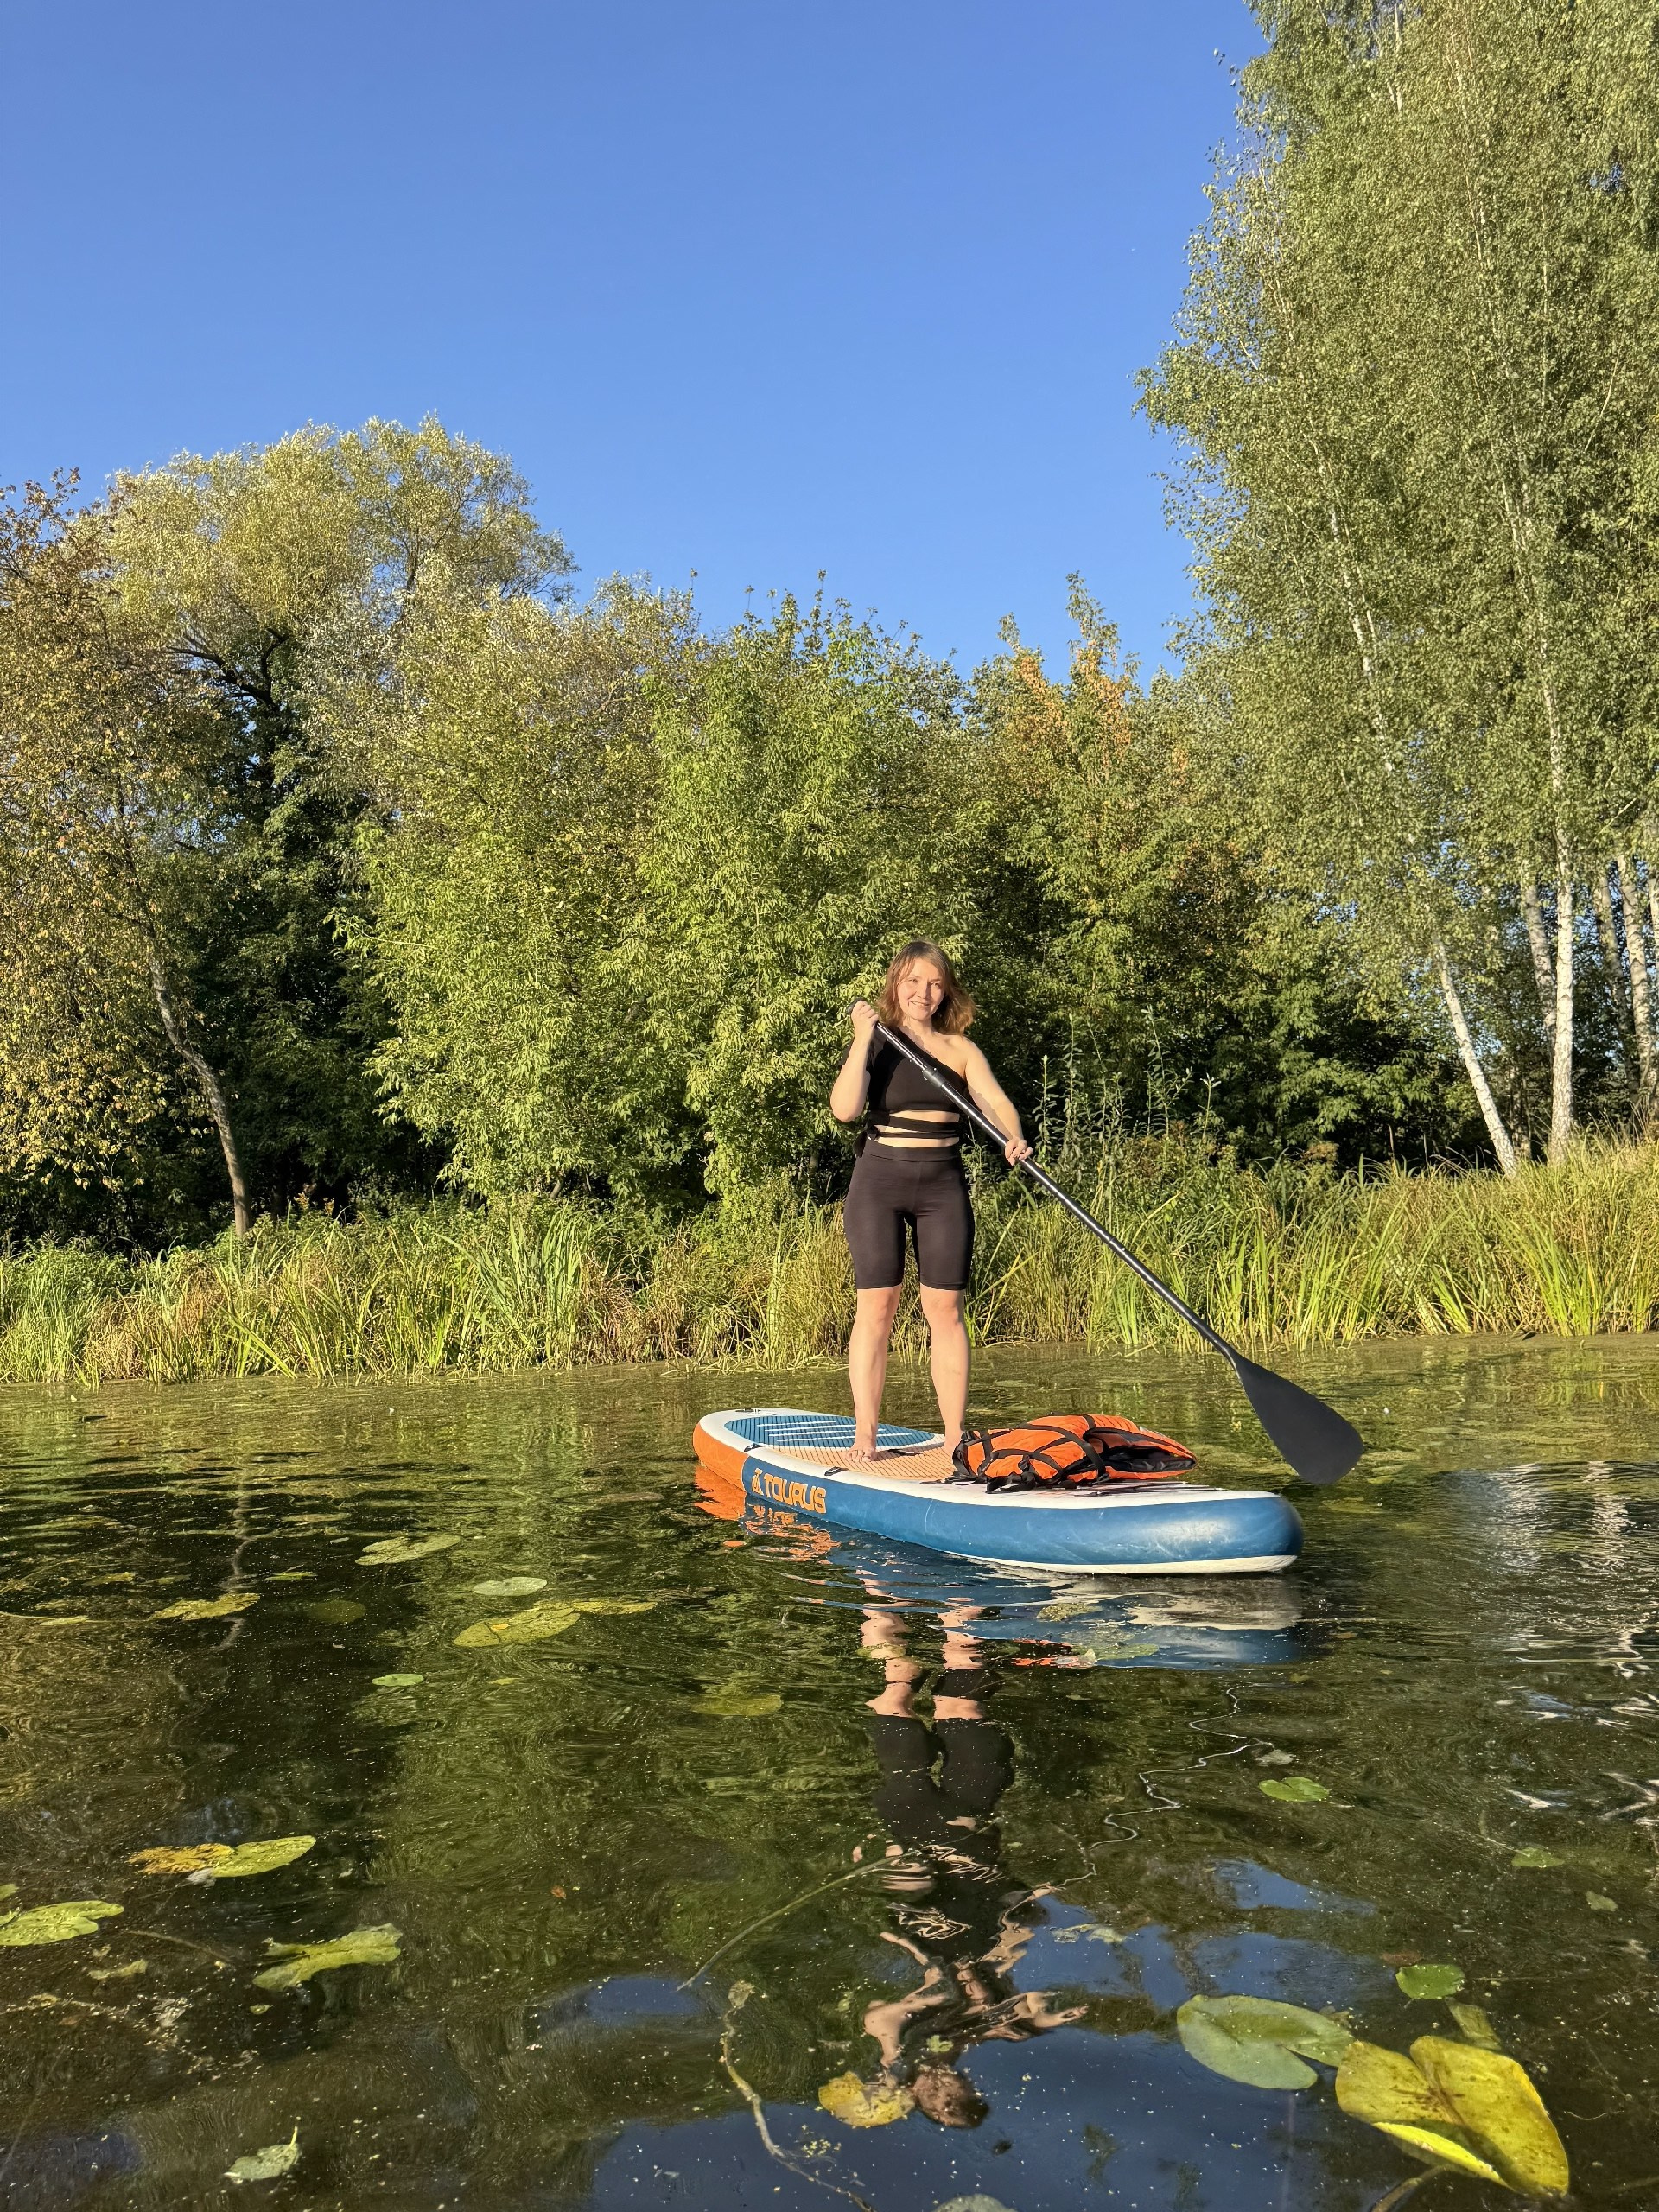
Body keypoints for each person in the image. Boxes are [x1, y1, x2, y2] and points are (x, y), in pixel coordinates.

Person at [830, 941, 1031, 1464]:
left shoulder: (960, 1049)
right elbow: (846, 1109)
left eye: (935, 983)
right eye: (914, 981)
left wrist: (1013, 1137)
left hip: (942, 1186)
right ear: (896, 984)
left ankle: (953, 1436)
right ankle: (866, 1436)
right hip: (879, 1183)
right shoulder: (878, 1041)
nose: (924, 992)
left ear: (946, 992)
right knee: (878, 1306)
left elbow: (993, 1100)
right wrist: (861, 1038)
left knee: (945, 1308)